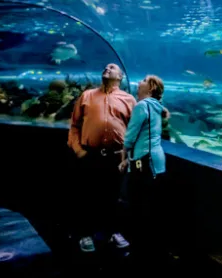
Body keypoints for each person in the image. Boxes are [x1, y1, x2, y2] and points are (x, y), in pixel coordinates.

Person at [67, 63, 136, 253]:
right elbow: (74, 126)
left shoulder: (129, 100)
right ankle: (85, 234)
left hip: (116, 157)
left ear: (120, 77)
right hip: (90, 154)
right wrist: (78, 150)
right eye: (105, 67)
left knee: (113, 197)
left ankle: (112, 232)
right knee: (86, 196)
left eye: (112, 67)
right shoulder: (87, 96)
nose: (107, 67)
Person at [118, 75, 167, 258]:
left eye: (144, 81)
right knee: (153, 206)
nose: (139, 83)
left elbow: (130, 136)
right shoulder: (157, 107)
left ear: (151, 88)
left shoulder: (142, 106)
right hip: (158, 163)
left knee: (138, 206)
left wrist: (123, 156)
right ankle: (152, 249)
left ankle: (139, 250)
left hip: (144, 163)